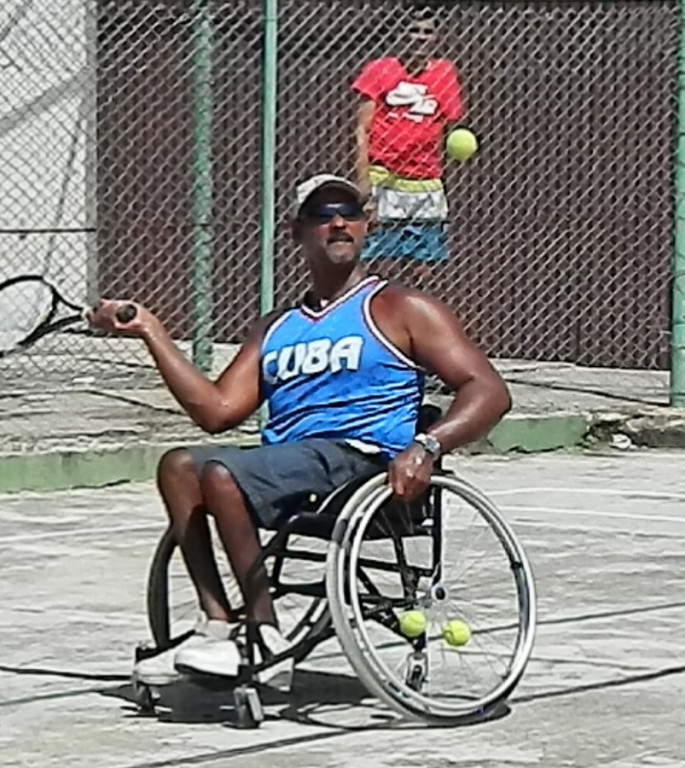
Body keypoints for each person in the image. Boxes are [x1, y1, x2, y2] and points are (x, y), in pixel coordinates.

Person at [87, 173, 511, 692]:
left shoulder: (400, 309)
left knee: (223, 474)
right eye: (322, 214)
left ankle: (264, 632)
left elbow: (488, 391)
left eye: (349, 213)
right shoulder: (275, 328)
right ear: (296, 232)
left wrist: (427, 445)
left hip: (365, 465)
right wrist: (151, 332)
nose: (338, 222)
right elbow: (217, 412)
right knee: (179, 466)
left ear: (365, 227)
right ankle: (216, 623)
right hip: (293, 466)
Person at [352, 6, 464, 283]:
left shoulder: (444, 73)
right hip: (385, 177)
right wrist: (363, 176)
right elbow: (362, 128)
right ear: (400, 34)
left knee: (424, 267)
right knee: (381, 264)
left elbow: (450, 125)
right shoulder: (380, 70)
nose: (419, 38)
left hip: (425, 182)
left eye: (427, 32)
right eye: (413, 30)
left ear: (436, 38)